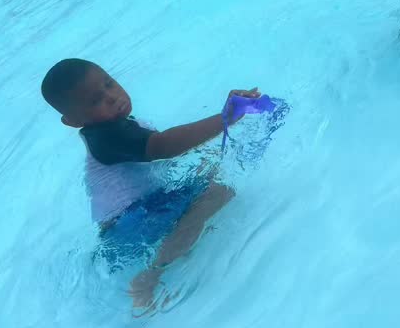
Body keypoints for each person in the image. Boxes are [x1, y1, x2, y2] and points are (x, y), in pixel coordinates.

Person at [40, 58, 260, 311]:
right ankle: (150, 277)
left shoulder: (111, 128)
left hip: (131, 217)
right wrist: (225, 118)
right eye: (95, 101)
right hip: (129, 224)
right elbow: (163, 146)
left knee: (208, 167)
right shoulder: (108, 137)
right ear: (72, 121)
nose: (112, 97)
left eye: (109, 84)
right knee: (219, 192)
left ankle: (180, 240)